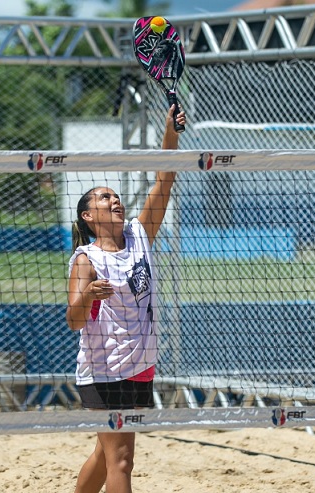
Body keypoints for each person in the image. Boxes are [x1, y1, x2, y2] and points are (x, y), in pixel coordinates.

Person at [66, 104, 186, 493]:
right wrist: (87, 295)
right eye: (104, 198)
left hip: (140, 364)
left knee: (106, 456)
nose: (114, 200)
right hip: (104, 370)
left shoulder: (138, 236)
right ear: (87, 216)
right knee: (122, 460)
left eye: (116, 196)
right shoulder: (87, 259)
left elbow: (165, 179)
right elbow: (73, 319)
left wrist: (171, 133)